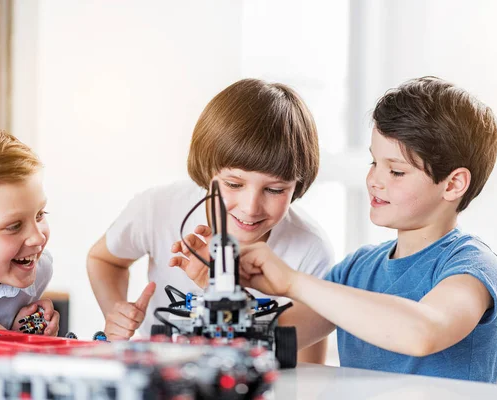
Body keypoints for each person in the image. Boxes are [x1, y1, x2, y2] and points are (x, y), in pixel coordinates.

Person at [239, 76, 497, 382]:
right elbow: (271, 341)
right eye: (373, 162)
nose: (375, 180)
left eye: (396, 171)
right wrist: (224, 286)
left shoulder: (471, 264)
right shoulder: (356, 270)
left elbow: (423, 332)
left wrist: (293, 283)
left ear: (453, 184)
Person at [87, 78, 333, 362]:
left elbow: (307, 369)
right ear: (209, 170)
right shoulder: (157, 207)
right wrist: (116, 312)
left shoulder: (311, 249)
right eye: (233, 184)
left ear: (297, 186)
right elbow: (103, 259)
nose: (250, 208)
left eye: (275, 189)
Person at [0, 126, 59, 335]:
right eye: (14, 226)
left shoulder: (38, 271)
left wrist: (20, 335)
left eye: (40, 214)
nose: (37, 238)